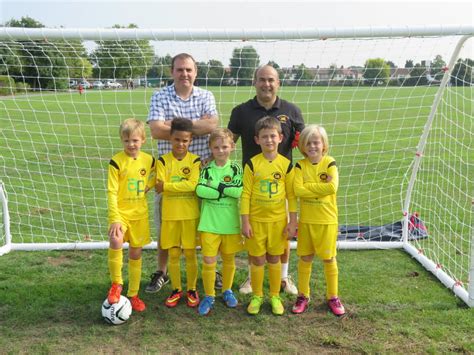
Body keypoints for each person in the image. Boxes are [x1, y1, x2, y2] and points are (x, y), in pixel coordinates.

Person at [146, 53, 220, 293]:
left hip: (202, 173)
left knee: (206, 226)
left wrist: (176, 126)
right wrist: (194, 125)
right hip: (168, 175)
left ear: (195, 72)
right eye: (180, 70)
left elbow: (212, 125)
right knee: (166, 226)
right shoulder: (160, 95)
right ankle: (162, 272)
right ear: (172, 72)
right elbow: (157, 130)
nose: (184, 74)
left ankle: (211, 268)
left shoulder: (206, 95)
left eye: (189, 70)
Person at [228, 64, 304, 295]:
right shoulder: (241, 111)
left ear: (278, 83)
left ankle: (283, 277)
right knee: (255, 236)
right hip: (253, 184)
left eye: (271, 80)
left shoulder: (292, 111)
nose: (266, 84)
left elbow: (305, 142)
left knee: (281, 234)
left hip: (281, 184)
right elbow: (228, 142)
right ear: (255, 82)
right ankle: (252, 279)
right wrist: (210, 160)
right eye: (262, 79)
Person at [241, 116, 297, 316]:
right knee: (257, 259)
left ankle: (274, 296)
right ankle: (257, 296)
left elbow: (291, 195)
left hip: (277, 222)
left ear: (280, 137)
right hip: (256, 222)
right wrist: (245, 221)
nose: (269, 140)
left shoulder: (286, 165)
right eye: (264, 137)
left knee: (274, 258)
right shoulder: (252, 164)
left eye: (273, 136)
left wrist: (293, 221)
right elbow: (245, 194)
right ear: (257, 140)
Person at [291, 125, 345, 316]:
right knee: (305, 258)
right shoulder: (299, 165)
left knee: (329, 259)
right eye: (308, 143)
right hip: (306, 221)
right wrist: (319, 186)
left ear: (323, 145)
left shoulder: (330, 162)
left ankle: (333, 296)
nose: (312, 146)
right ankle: (303, 295)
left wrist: (309, 187)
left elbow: (332, 188)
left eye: (316, 142)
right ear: (303, 146)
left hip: (327, 220)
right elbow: (297, 190)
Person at [106, 118, 156, 312]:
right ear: (122, 141)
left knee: (136, 252)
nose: (131, 145)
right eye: (126, 141)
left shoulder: (149, 159)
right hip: (121, 213)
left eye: (135, 140)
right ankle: (116, 284)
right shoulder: (116, 161)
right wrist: (115, 218)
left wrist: (148, 187)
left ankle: (133, 294)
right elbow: (111, 191)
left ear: (143, 139)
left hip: (140, 215)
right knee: (116, 241)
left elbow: (157, 174)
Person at [196, 128, 244, 316]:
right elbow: (200, 190)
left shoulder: (236, 168)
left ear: (232, 147)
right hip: (209, 222)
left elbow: (238, 192)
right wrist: (225, 189)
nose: (221, 150)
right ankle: (209, 295)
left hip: (230, 223)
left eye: (224, 146)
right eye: (216, 147)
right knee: (209, 260)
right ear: (211, 148)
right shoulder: (206, 168)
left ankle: (227, 290)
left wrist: (215, 187)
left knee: (229, 259)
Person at [156, 118, 201, 308]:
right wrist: (173, 186)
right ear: (170, 139)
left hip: (189, 215)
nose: (181, 144)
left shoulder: (195, 160)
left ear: (190, 140)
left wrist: (168, 185)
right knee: (173, 254)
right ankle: (176, 289)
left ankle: (191, 289)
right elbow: (158, 187)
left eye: (185, 140)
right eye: (177, 140)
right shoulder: (162, 161)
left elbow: (193, 185)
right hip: (170, 216)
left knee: (190, 253)